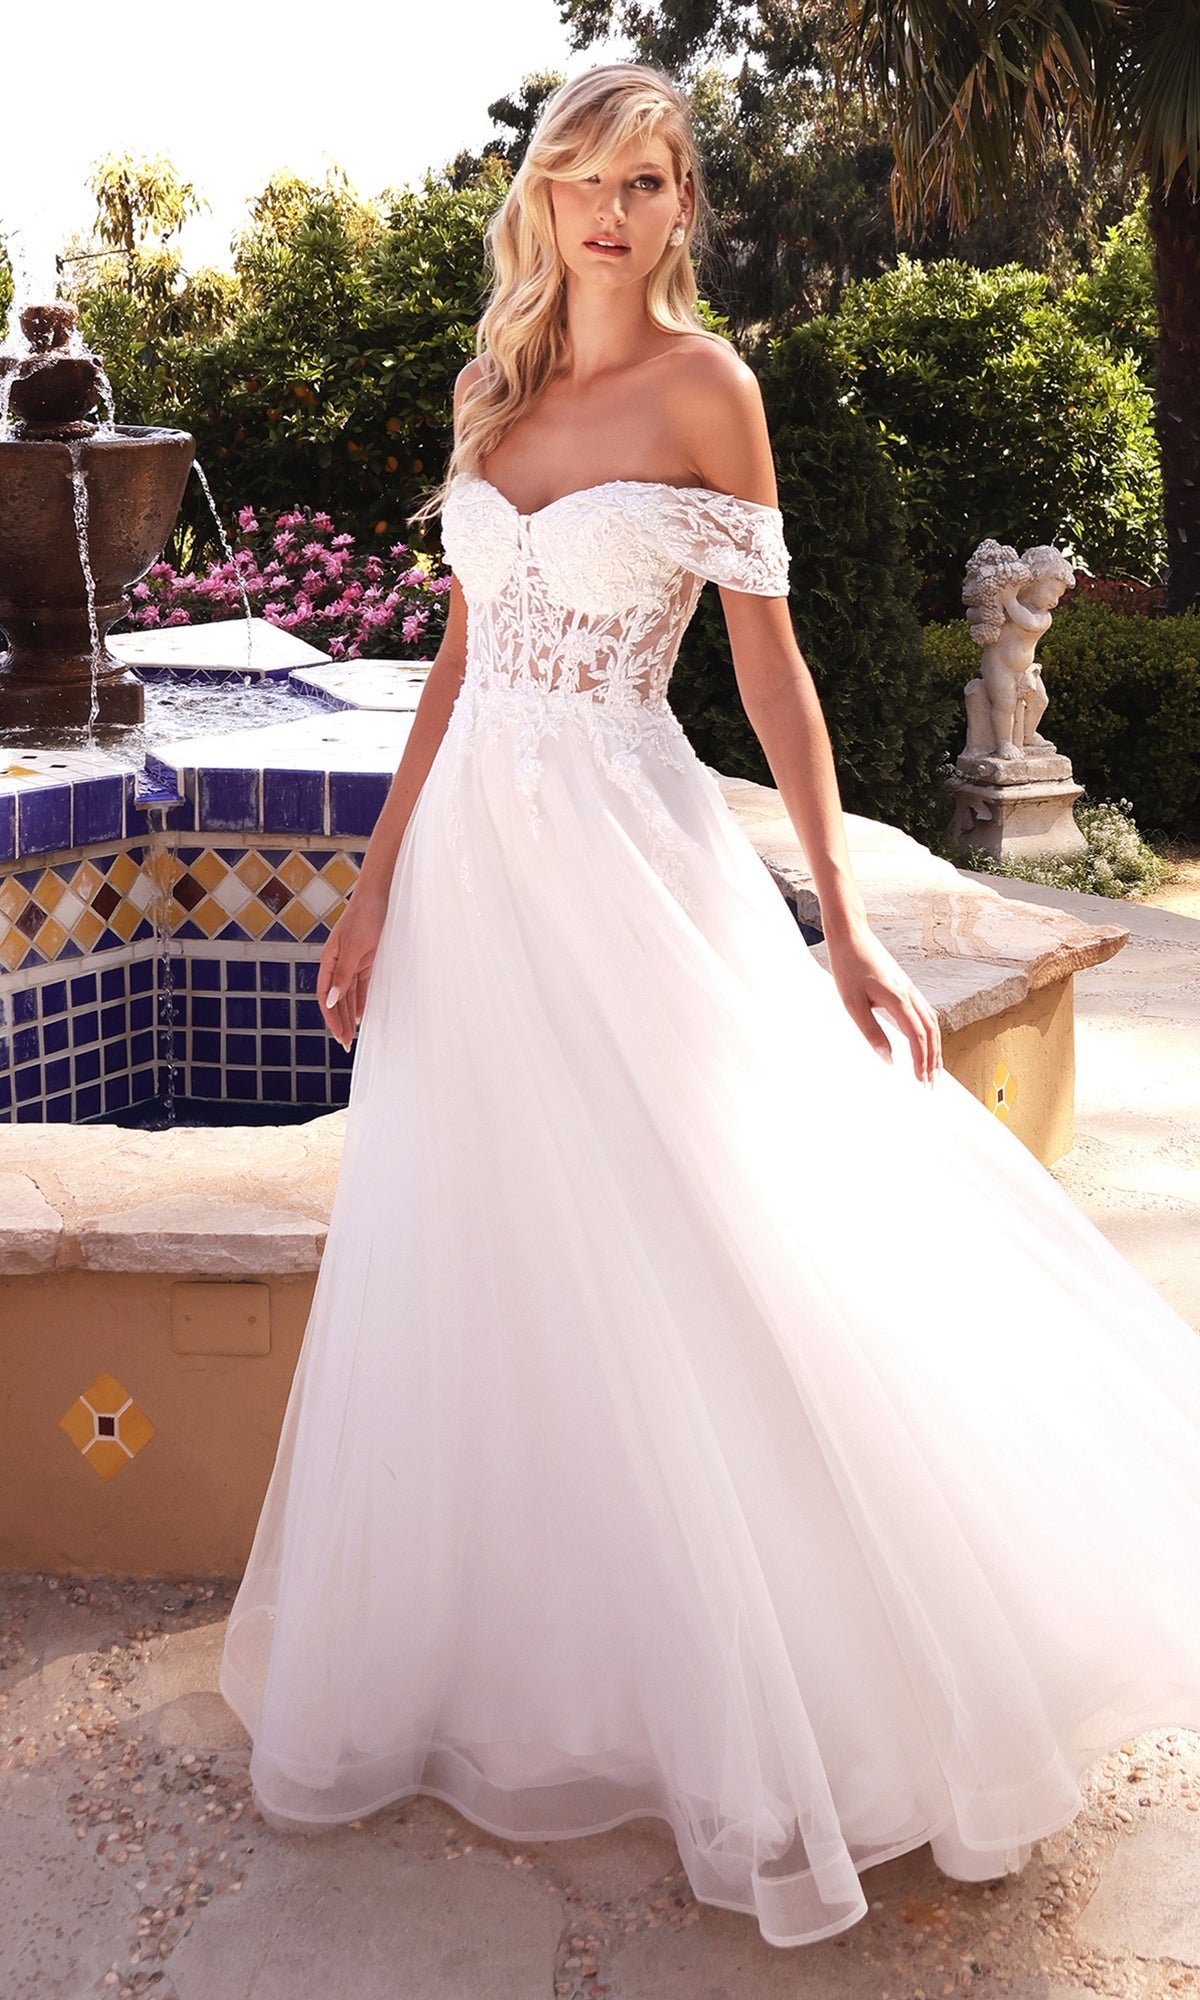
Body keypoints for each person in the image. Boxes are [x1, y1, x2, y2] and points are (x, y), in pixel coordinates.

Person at [219, 63, 1200, 1951]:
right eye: (586, 176)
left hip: (613, 847)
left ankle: (837, 1675)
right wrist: (374, 882)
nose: (613, 211)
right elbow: (457, 655)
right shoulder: (496, 389)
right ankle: (548, 1661)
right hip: (477, 885)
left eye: (649, 180)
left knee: (711, 1231)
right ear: (547, 198)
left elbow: (774, 676)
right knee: (500, 1251)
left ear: (681, 208)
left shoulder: (706, 390)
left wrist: (845, 917)